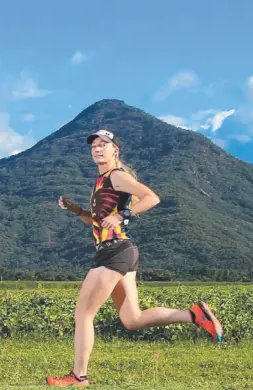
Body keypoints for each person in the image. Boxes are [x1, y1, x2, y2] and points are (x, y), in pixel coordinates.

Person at [45, 129, 224, 387]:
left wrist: (122, 216)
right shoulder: (102, 181)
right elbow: (96, 222)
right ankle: (195, 315)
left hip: (114, 251)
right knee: (132, 319)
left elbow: (151, 198)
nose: (97, 149)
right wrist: (76, 210)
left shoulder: (117, 176)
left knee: (83, 314)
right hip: (120, 250)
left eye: (103, 145)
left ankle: (78, 376)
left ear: (115, 149)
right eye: (93, 145)